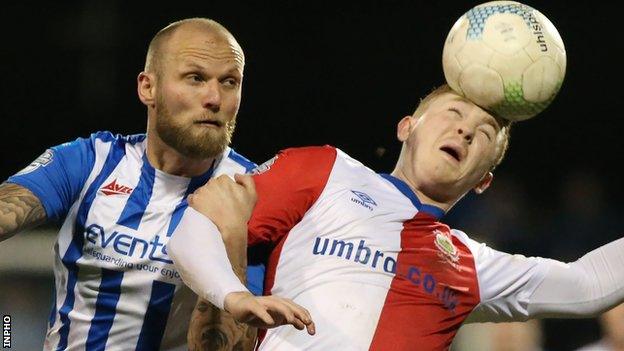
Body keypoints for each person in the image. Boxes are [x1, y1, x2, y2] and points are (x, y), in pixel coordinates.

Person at [169, 84, 624, 350]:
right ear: (407, 126)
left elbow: (589, 285)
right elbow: (197, 226)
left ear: (484, 179)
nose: (464, 129)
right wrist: (233, 295)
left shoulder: (472, 266)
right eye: (451, 113)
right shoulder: (326, 170)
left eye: (484, 133)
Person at [0, 18, 313, 351]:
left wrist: (233, 236)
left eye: (229, 82)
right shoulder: (89, 161)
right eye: (195, 78)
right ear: (148, 87)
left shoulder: (256, 193)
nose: (214, 97)